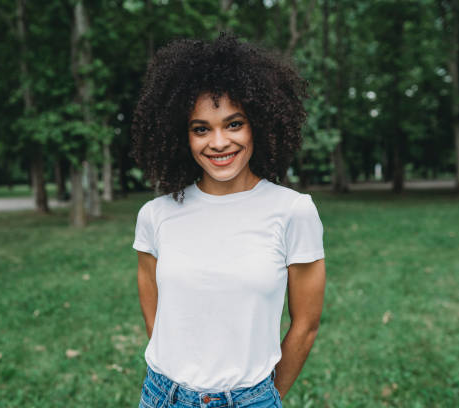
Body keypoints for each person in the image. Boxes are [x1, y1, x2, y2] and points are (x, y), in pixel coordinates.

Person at [130, 32, 326, 408]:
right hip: (161, 397)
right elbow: (152, 300)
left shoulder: (293, 211)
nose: (218, 143)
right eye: (201, 128)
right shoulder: (155, 215)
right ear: (182, 136)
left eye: (234, 124)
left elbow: (305, 325)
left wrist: (264, 398)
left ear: (259, 124)